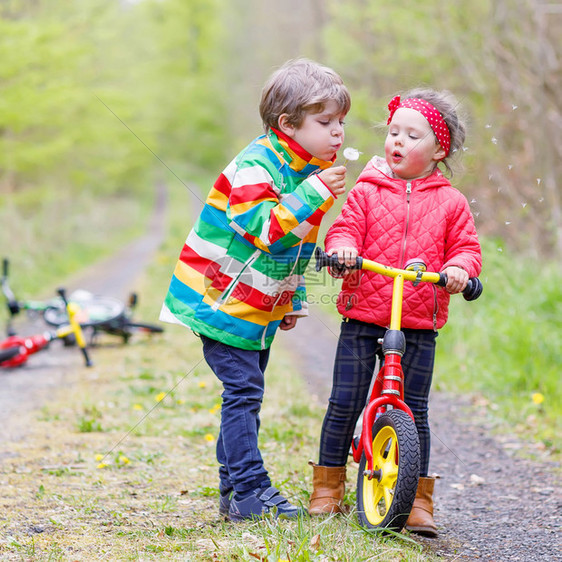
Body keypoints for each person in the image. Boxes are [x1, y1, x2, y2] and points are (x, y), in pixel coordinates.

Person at [160, 58, 351, 521]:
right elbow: (263, 229)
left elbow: (295, 248)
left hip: (255, 307)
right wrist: (316, 192)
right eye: (325, 122)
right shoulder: (257, 165)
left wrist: (292, 301)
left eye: (341, 122)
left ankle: (235, 493)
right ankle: (250, 490)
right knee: (243, 392)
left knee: (246, 392)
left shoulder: (306, 169)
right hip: (217, 301)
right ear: (287, 124)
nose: (338, 133)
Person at [308, 88, 482, 536]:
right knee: (344, 403)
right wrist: (343, 249)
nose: (397, 141)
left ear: (439, 150)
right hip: (363, 316)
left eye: (411, 135)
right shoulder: (366, 191)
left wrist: (459, 270)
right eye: (393, 132)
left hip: (418, 323)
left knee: (416, 411)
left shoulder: (451, 202)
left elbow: (465, 249)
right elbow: (344, 229)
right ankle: (328, 488)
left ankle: (419, 500)